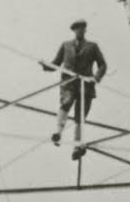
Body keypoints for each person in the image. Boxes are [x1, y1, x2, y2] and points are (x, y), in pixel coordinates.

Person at [44, 20, 106, 154]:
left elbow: (102, 65)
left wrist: (96, 77)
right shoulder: (66, 45)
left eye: (82, 29)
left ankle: (77, 145)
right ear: (74, 31)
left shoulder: (92, 46)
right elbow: (56, 63)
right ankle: (58, 133)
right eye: (77, 29)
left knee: (81, 115)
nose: (80, 31)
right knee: (66, 103)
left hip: (86, 84)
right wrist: (46, 66)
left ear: (85, 30)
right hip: (69, 82)